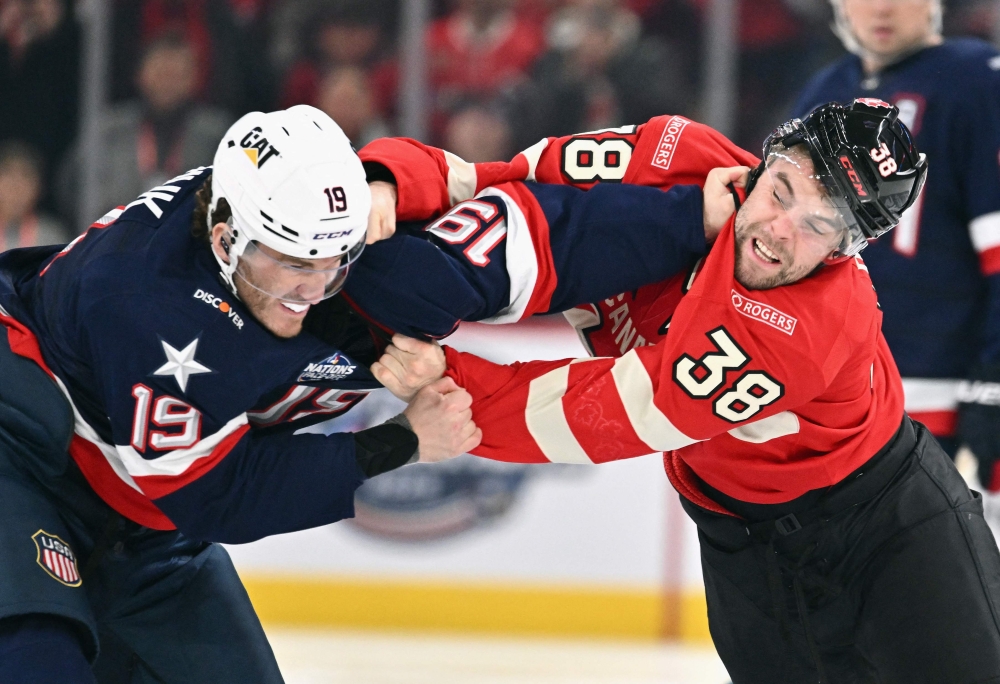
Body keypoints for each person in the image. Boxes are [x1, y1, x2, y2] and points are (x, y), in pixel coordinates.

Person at [361, 101, 1000, 682]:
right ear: (769, 158)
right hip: (741, 545)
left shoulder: (807, 325)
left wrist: (453, 379)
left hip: (893, 530)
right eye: (780, 192)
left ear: (847, 247)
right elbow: (514, 178)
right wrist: (394, 178)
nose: (779, 231)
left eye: (818, 225)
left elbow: (609, 414)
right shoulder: (672, 153)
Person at [0, 105, 480, 682]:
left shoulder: (269, 204)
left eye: (336, 258)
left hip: (142, 525)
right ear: (226, 242)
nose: (317, 286)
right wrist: (401, 442)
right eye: (295, 262)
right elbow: (216, 496)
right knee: (40, 660)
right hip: (22, 462)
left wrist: (388, 183)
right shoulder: (148, 307)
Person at [791, 0, 1000, 492]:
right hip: (838, 389)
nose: (882, 8)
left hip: (945, 391)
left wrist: (994, 376)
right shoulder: (825, 91)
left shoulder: (977, 80)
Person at [58, 31, 232, 229]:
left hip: (188, 244)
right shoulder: (109, 129)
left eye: (176, 75)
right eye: (160, 73)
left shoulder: (215, 133)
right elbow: (71, 184)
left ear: (194, 78)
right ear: (140, 74)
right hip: (117, 238)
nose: (167, 83)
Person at [0, 141, 72, 251]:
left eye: (26, 176)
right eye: (8, 177)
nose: (16, 188)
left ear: (39, 189)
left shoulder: (51, 237)